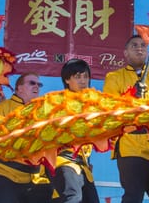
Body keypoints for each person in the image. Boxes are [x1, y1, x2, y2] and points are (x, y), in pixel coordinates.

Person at [103, 0, 149, 203]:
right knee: (133, 196)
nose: (140, 48)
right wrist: (131, 98)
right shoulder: (114, 78)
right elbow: (111, 109)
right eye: (134, 46)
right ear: (125, 54)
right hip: (130, 146)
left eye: (143, 45)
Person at [0, 72, 54, 203]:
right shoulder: (4, 108)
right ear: (19, 88)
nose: (37, 87)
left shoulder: (43, 113)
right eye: (32, 83)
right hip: (4, 174)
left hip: (37, 179)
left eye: (39, 84)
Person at [49, 59, 100, 203]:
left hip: (83, 166)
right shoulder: (58, 103)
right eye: (78, 77)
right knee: (72, 198)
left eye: (85, 76)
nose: (83, 81)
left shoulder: (92, 104)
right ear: (67, 80)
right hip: (64, 161)